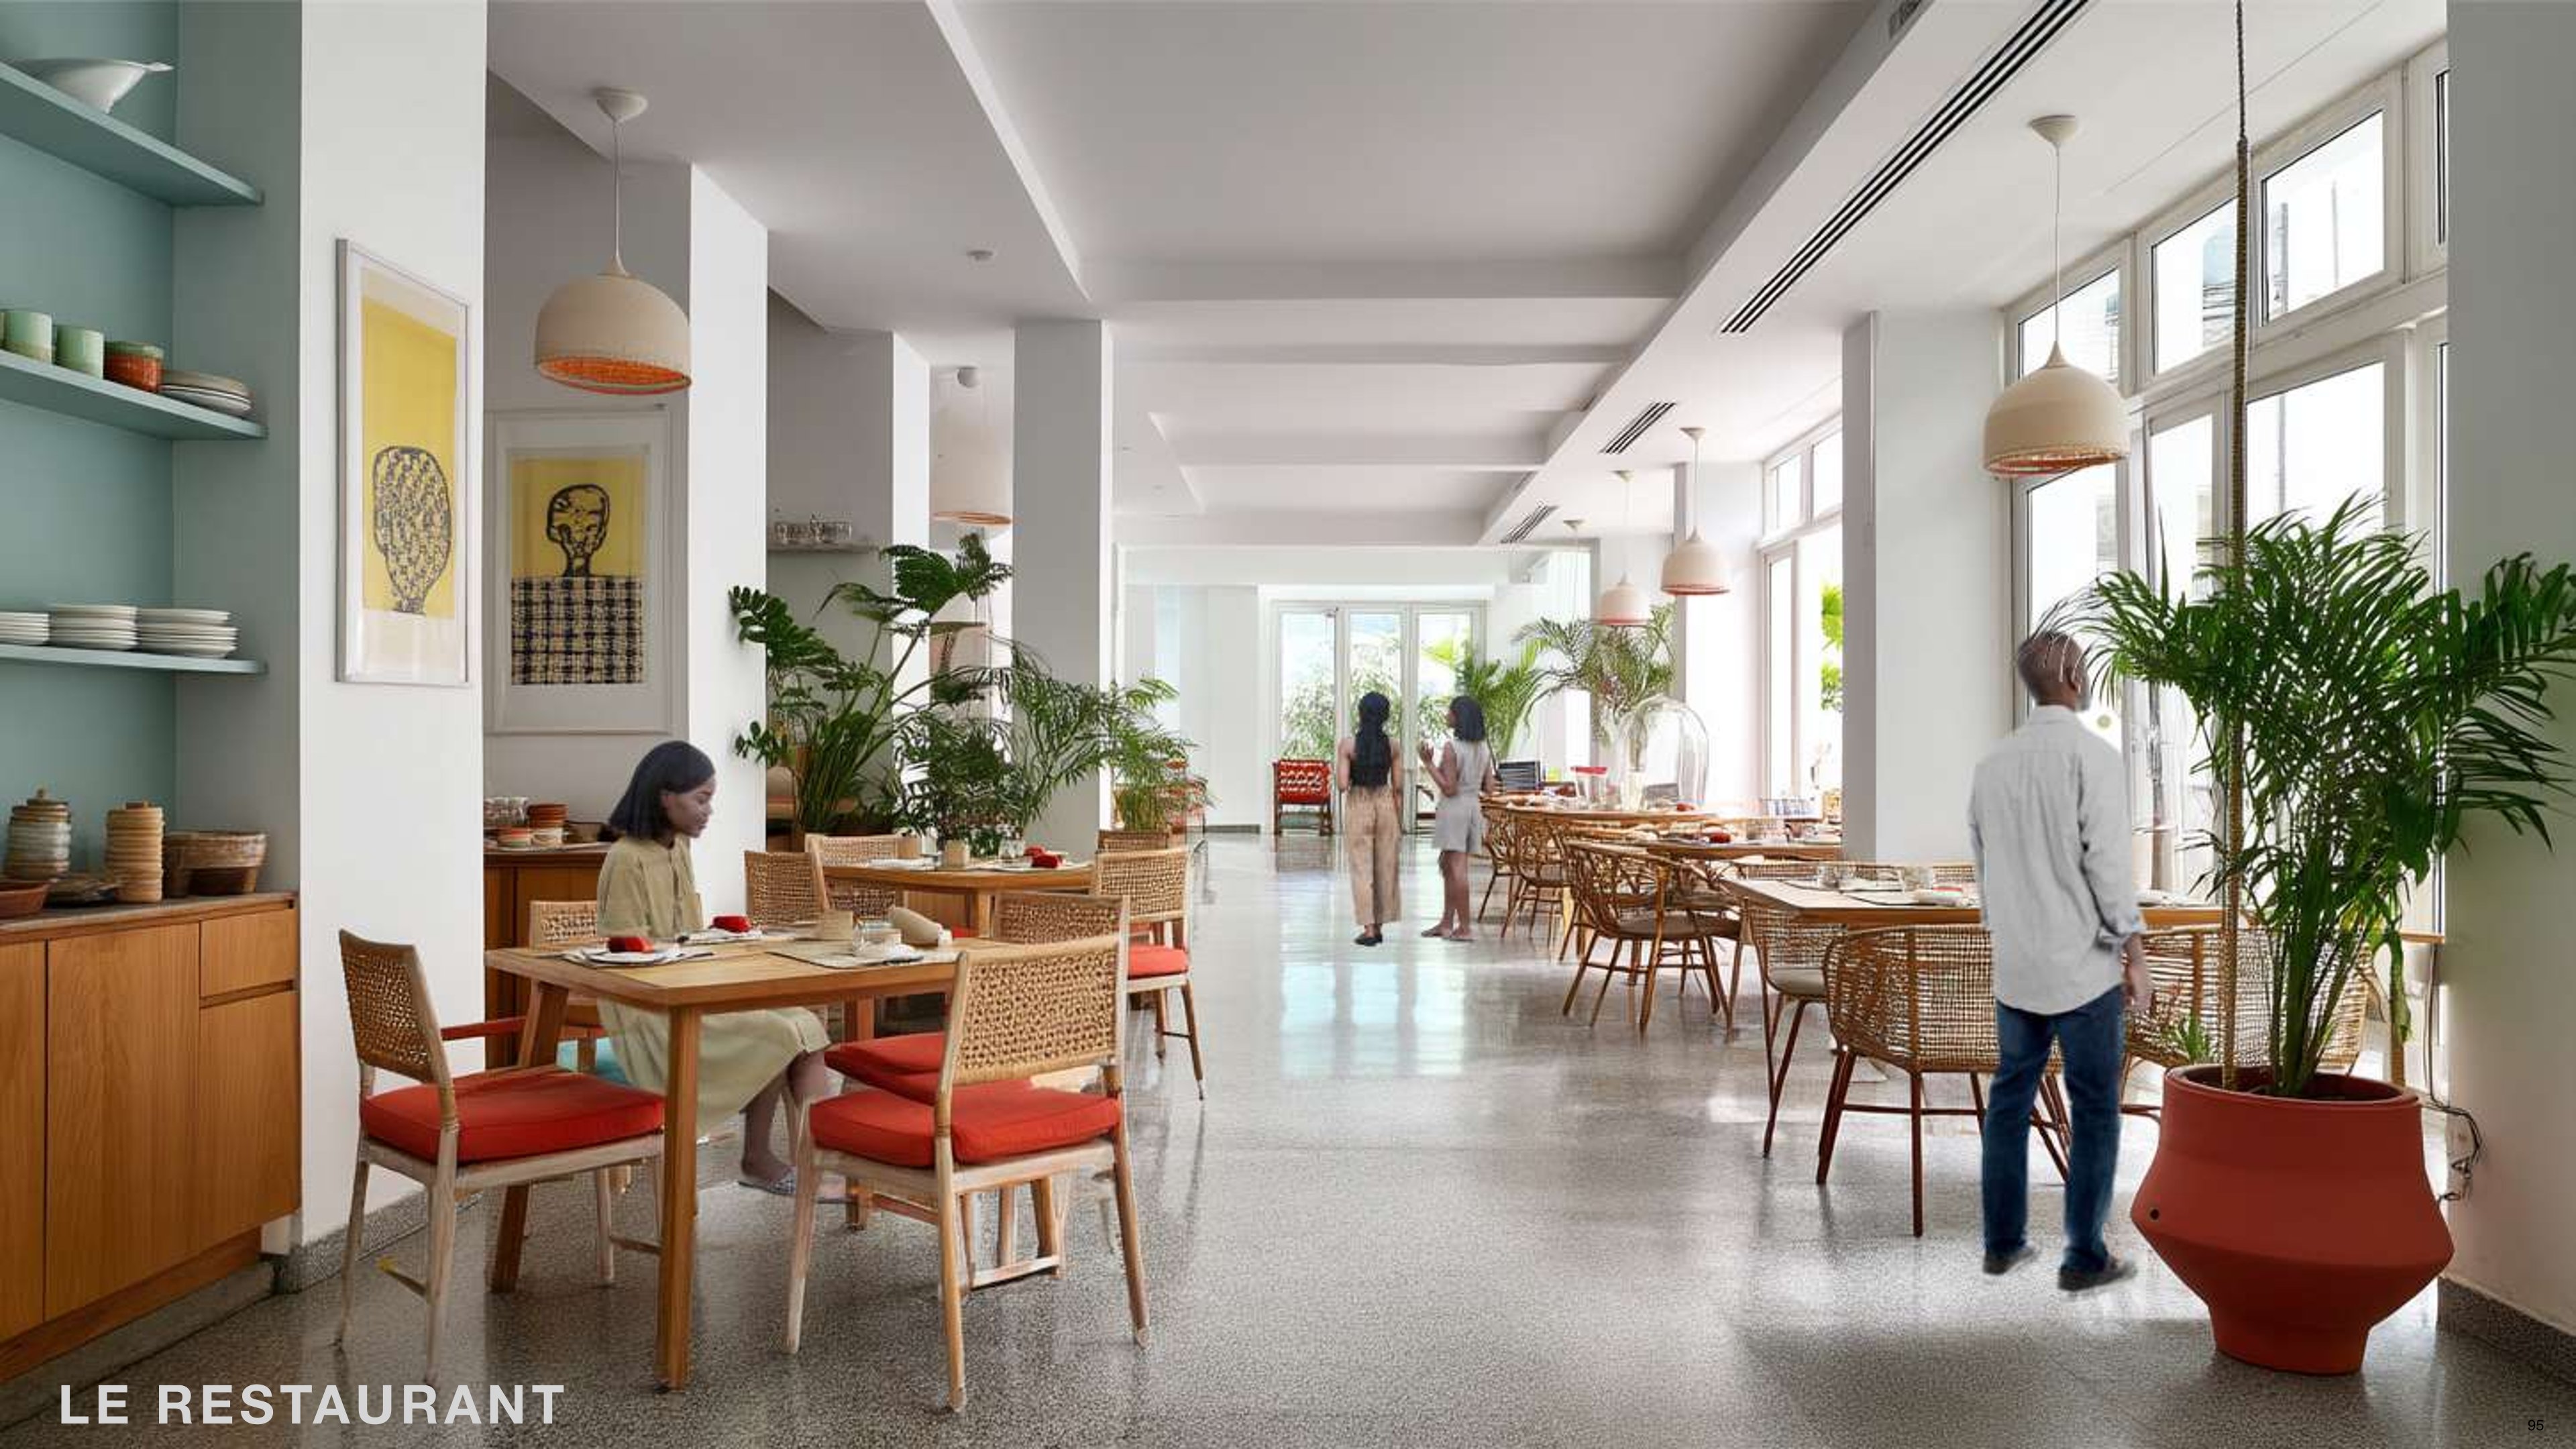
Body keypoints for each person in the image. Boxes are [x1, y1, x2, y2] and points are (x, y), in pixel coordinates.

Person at [1968, 630, 2153, 1291]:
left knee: (2009, 1100)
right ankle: (2084, 1257)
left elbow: (1983, 862)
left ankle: (2002, 1243)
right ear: (2075, 677)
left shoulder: (1992, 764)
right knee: (2095, 1107)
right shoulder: (2092, 758)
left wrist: (2004, 929)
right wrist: (2135, 953)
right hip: (2083, 968)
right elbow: (2108, 866)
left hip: (2018, 966)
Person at [595, 741, 831, 1195]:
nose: (709, 811)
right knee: (778, 1034)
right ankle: (761, 1160)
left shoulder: (678, 847)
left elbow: (684, 934)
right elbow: (625, 955)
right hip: (652, 1014)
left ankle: (818, 1168)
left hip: (692, 991)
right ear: (666, 797)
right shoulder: (625, 858)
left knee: (807, 1026)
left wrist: (720, 940)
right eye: (701, 799)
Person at [1418, 695, 1499, 941]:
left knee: (1457, 868)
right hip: (1472, 808)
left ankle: (1464, 927)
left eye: (1450, 712)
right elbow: (1490, 788)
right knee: (1447, 865)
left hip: (1454, 810)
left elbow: (1449, 788)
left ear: (1459, 717)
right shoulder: (1484, 748)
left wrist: (1428, 764)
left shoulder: (1452, 748)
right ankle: (1446, 922)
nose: (1447, 715)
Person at [1335, 691, 1403, 947]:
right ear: (1386, 716)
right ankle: (1381, 925)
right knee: (1386, 866)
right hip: (1385, 803)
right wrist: (1400, 821)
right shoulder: (1393, 746)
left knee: (1361, 868)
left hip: (1359, 802)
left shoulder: (1348, 745)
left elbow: (1342, 785)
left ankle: (1369, 929)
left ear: (1361, 714)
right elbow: (1398, 787)